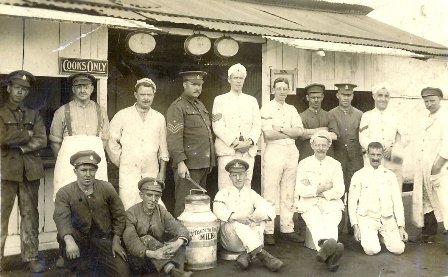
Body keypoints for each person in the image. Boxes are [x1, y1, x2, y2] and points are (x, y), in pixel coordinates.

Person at [53, 150, 130, 276]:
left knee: (123, 273)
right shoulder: (64, 193)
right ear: (75, 171)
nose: (88, 174)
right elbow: (62, 219)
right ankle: (67, 258)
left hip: (103, 240)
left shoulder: (107, 188)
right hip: (78, 240)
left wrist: (116, 241)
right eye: (83, 170)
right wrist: (69, 240)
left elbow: (119, 216)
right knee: (81, 272)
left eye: (92, 170)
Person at [0, 70, 47, 273]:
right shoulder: (0, 113)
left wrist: (19, 144)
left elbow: (41, 140)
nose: (21, 92)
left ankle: (31, 257)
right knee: (1, 216)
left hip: (30, 172)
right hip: (6, 171)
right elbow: (1, 138)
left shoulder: (34, 114)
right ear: (9, 88)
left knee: (30, 215)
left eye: (25, 89)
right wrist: (25, 134)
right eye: (17, 87)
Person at [107, 78, 169, 210]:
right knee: (129, 206)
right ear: (135, 95)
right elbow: (111, 141)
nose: (146, 98)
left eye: (149, 95)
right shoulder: (122, 115)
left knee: (153, 206)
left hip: (151, 170)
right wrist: (123, 161)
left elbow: (163, 149)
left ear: (153, 95)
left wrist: (162, 172)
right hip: (128, 171)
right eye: (142, 94)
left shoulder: (159, 118)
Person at [213, 159, 283, 272]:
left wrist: (261, 216)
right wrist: (236, 216)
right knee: (237, 222)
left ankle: (246, 256)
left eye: (240, 174)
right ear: (230, 176)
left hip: (249, 238)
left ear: (246, 175)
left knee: (261, 217)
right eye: (234, 175)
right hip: (232, 240)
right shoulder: (223, 193)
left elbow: (270, 209)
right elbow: (217, 210)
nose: (238, 178)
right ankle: (262, 254)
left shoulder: (251, 193)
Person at [50, 73, 109, 199]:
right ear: (73, 89)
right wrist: (64, 162)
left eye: (86, 87)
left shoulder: (101, 111)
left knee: (96, 199)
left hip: (94, 163)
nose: (82, 90)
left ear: (92, 89)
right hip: (69, 165)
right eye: (78, 86)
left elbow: (104, 140)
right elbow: (55, 142)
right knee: (68, 199)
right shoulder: (62, 111)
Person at [260, 77, 304, 245]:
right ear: (274, 90)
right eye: (279, 88)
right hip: (274, 150)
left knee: (288, 191)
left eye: (285, 88)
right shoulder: (266, 108)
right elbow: (268, 134)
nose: (282, 91)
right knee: (270, 191)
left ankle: (287, 228)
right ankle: (268, 230)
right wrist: (289, 132)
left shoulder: (292, 109)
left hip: (291, 151)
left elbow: (299, 131)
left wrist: (282, 129)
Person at [166, 71, 215, 218]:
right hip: (188, 165)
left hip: (203, 164)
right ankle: (181, 236)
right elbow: (173, 138)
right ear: (184, 84)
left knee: (197, 204)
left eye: (200, 85)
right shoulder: (177, 107)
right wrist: (180, 162)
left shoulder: (199, 105)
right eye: (193, 84)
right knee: (184, 204)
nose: (197, 88)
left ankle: (194, 236)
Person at [295, 131, 345, 272]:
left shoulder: (336, 165)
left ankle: (325, 253)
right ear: (312, 146)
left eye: (324, 145)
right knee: (316, 222)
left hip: (331, 203)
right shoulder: (304, 164)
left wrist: (314, 189)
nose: (320, 148)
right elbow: (301, 190)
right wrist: (324, 187)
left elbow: (339, 190)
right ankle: (331, 254)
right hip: (309, 203)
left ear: (329, 146)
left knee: (330, 224)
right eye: (318, 145)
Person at [123, 177, 192, 277]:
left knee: (180, 239)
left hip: (160, 254)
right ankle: (173, 271)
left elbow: (178, 227)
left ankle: (173, 270)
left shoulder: (160, 210)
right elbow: (131, 241)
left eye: (157, 196)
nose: (153, 199)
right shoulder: (131, 213)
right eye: (149, 195)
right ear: (141, 195)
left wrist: (178, 243)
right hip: (141, 257)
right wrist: (153, 254)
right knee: (146, 238)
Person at [349, 142, 408, 255]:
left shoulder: (390, 175)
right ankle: (372, 236)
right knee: (372, 250)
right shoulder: (358, 175)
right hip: (367, 219)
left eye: (378, 155)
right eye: (372, 154)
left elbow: (397, 201)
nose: (375, 158)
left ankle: (383, 237)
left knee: (399, 249)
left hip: (387, 219)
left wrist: (401, 226)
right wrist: (355, 226)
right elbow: (352, 202)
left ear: (382, 155)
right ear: (367, 155)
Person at [212, 63, 261, 190]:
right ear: (229, 79)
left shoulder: (251, 101)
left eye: (241, 78)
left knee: (245, 186)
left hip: (247, 152)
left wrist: (249, 142)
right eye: (235, 78)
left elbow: (257, 125)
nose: (238, 81)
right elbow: (217, 125)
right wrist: (236, 143)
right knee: (226, 186)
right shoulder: (220, 100)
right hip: (228, 151)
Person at [411, 87, 448, 243]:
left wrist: (437, 165)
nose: (429, 104)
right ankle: (428, 232)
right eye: (426, 101)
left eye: (432, 100)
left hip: (440, 166)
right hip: (424, 166)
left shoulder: (445, 117)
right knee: (426, 198)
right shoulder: (426, 118)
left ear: (440, 99)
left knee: (444, 201)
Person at [328, 83, 364, 233]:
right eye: (343, 95)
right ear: (338, 95)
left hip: (356, 159)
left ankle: (354, 226)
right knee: (339, 192)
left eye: (349, 95)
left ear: (352, 96)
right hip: (339, 158)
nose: (346, 98)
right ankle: (338, 225)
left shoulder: (360, 114)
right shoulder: (331, 114)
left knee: (356, 192)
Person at [359, 82, 405, 191]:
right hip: (373, 158)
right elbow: (363, 138)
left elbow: (405, 136)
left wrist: (393, 148)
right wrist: (376, 150)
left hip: (392, 160)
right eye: (380, 95)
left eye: (386, 96)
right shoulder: (367, 116)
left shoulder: (396, 115)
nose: (383, 99)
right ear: (374, 97)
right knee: (373, 190)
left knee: (393, 190)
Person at [297, 83, 335, 161]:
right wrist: (323, 130)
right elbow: (301, 135)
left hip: (327, 155)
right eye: (313, 97)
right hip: (307, 154)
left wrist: (308, 132)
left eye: (318, 97)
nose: (316, 100)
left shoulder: (329, 115)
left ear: (322, 97)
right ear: (307, 98)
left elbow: (334, 136)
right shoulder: (301, 116)